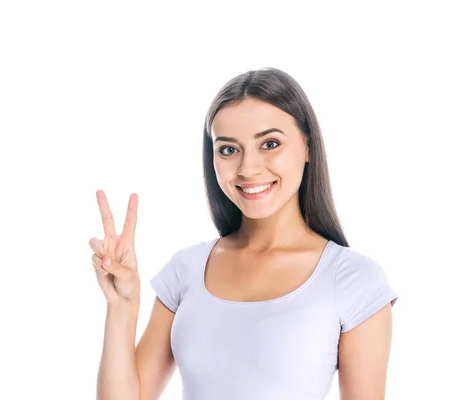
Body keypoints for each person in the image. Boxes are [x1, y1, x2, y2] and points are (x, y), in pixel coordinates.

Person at [89, 67, 398, 400]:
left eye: (269, 143)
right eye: (228, 149)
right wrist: (122, 306)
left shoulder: (353, 280)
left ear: (308, 147)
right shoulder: (186, 269)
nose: (248, 168)